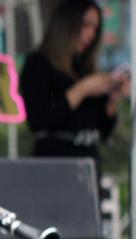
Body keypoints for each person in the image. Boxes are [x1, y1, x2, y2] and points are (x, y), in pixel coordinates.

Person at [19, 0, 130, 186]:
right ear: (68, 24)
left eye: (95, 28)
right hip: (54, 164)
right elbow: (39, 121)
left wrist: (112, 99)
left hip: (88, 162)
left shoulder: (84, 68)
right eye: (86, 25)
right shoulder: (38, 64)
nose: (90, 34)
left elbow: (103, 130)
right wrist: (82, 90)